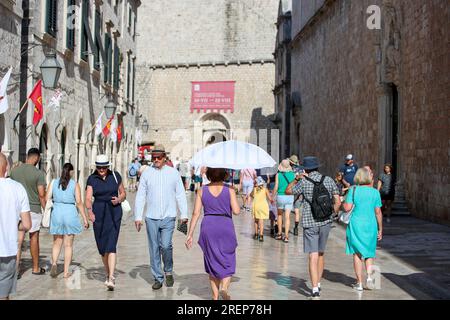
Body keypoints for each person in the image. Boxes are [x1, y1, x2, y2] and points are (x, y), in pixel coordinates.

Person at [134, 145, 188, 290]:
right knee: (154, 247)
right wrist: (138, 216)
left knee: (166, 245)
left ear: (164, 157)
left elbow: (180, 194)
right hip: (151, 216)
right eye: (154, 158)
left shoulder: (173, 173)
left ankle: (168, 270)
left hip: (169, 216)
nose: (156, 160)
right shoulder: (147, 174)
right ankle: (158, 277)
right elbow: (140, 196)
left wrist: (184, 214)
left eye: (159, 157)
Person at [286, 156, 341, 298]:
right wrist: (333, 213)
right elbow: (337, 200)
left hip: (310, 222)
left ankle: (315, 288)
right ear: (317, 167)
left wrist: (297, 179)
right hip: (326, 222)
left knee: (313, 255)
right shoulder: (328, 180)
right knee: (321, 253)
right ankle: (319, 282)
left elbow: (288, 191)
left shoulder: (303, 182)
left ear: (306, 169)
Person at [185, 168, 240, 300]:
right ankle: (225, 288)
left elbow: (196, 213)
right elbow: (237, 211)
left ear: (209, 175)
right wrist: (233, 195)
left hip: (208, 225)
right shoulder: (230, 189)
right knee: (228, 259)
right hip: (225, 225)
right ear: (224, 174)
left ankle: (215, 297)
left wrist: (190, 234)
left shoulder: (201, 190)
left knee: (212, 261)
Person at [85, 155, 127, 291]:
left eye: (104, 167)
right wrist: (90, 212)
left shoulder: (115, 175)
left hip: (114, 212)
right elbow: (87, 198)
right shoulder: (92, 179)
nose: (101, 170)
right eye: (99, 167)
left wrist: (119, 199)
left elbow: (123, 193)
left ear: (108, 166)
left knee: (111, 245)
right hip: (98, 212)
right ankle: (108, 272)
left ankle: (111, 277)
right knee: (102, 247)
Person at [343, 167, 383, 291]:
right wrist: (380, 229)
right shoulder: (375, 192)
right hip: (371, 225)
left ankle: (359, 283)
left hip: (356, 225)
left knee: (357, 253)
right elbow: (378, 212)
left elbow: (347, 208)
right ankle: (370, 278)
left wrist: (342, 201)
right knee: (369, 253)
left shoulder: (353, 190)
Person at [47, 163, 89, 279]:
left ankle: (54, 263)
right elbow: (79, 203)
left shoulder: (53, 182)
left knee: (56, 242)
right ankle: (66, 272)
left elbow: (47, 198)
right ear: (71, 172)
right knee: (68, 245)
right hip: (70, 213)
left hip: (57, 213)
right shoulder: (75, 185)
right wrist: (85, 219)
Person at [10, 148, 47, 276]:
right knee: (34, 238)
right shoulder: (38, 173)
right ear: (36, 158)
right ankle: (36, 268)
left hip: (17, 209)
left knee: (18, 240)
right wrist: (46, 209)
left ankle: (15, 270)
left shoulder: (14, 171)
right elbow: (42, 195)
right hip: (33, 209)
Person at [0, 153, 31, 300]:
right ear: (6, 168)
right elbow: (27, 224)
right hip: (7, 249)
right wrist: (13, 223)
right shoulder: (18, 188)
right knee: (4, 294)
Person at [273, 160, 295, 242]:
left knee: (279, 215)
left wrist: (272, 196)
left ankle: (279, 233)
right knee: (287, 217)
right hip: (290, 196)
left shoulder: (278, 175)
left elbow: (276, 186)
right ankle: (286, 236)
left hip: (281, 196)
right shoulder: (293, 175)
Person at [250, 177, 272, 242]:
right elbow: (269, 198)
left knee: (256, 220)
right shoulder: (265, 189)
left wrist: (254, 188)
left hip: (256, 206)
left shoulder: (255, 189)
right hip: (263, 206)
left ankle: (256, 234)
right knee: (261, 221)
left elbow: (251, 195)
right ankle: (261, 235)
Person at [289, 155, 302, 236]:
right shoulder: (301, 169)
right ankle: (296, 228)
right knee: (297, 210)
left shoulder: (289, 169)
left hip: (290, 190)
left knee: (287, 210)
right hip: (299, 191)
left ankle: (284, 226)